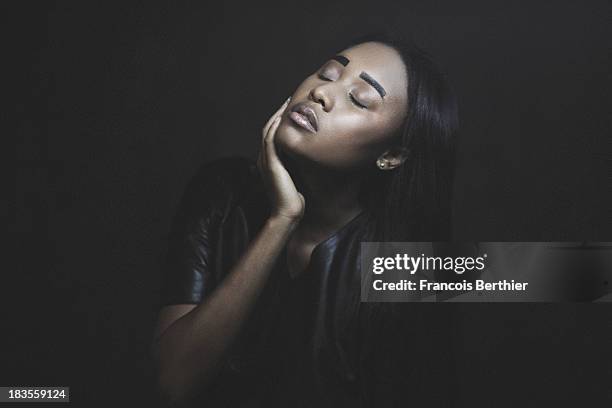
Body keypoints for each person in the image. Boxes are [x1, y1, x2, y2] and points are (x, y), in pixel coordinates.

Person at [151, 31, 459, 407]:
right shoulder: (222, 193)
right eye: (328, 73)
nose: (321, 93)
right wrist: (281, 220)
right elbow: (174, 382)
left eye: (359, 99)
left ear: (392, 155)